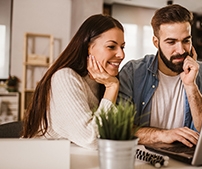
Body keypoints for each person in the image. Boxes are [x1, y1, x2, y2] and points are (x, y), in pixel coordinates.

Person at [22, 14, 125, 150]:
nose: (121, 55)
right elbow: (91, 139)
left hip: (73, 158)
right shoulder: (65, 77)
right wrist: (112, 87)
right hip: (39, 159)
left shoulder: (103, 82)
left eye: (122, 47)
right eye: (111, 46)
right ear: (88, 47)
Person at [118, 4, 202, 147]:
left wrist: (190, 85)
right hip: (144, 158)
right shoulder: (132, 72)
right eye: (171, 42)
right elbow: (121, 129)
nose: (181, 50)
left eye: (186, 41)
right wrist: (164, 135)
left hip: (187, 158)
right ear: (156, 42)